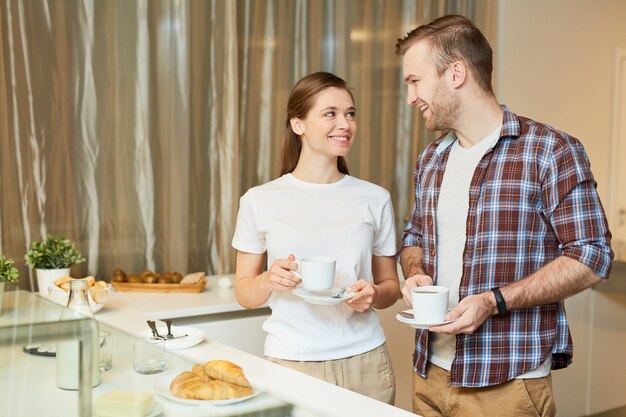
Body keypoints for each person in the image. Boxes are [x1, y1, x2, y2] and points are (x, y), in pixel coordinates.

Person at [395, 15, 614, 417]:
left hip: (508, 383)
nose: (411, 97)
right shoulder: (431, 159)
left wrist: (493, 302)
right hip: (429, 374)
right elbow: (414, 238)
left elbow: (592, 257)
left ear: (456, 73)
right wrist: (414, 273)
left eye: (415, 81)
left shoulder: (550, 151)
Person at [232, 71, 400, 404]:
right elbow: (244, 292)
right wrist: (268, 280)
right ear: (299, 125)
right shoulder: (259, 199)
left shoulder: (374, 198)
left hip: (365, 362)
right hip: (291, 363)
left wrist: (374, 294)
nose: (345, 124)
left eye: (350, 114)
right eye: (330, 114)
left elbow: (390, 287)